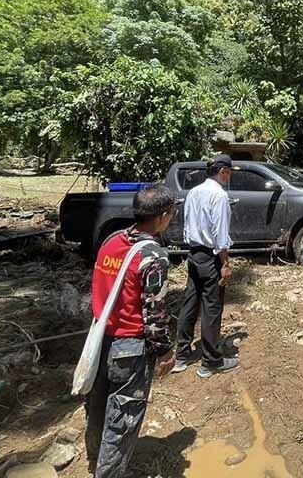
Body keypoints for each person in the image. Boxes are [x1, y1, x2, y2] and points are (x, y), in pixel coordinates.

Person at [84, 184, 176, 478]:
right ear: (162, 216)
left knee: (97, 407)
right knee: (122, 420)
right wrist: (164, 351)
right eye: (171, 214)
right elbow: (154, 312)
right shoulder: (153, 256)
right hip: (130, 348)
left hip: (100, 340)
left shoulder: (110, 241)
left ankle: (94, 461)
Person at [173, 154, 239, 378]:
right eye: (229, 172)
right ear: (222, 172)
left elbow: (187, 224)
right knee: (212, 308)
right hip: (211, 257)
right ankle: (210, 362)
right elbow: (219, 235)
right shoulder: (218, 195)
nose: (229, 177)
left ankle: (182, 355)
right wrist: (225, 264)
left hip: (194, 254)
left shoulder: (193, 192)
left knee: (190, 303)